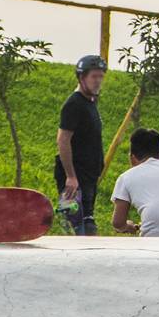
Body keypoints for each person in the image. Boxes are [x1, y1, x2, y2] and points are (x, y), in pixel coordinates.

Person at [53, 53, 106, 234]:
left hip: (88, 178)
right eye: (94, 76)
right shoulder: (74, 104)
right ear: (82, 77)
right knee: (80, 229)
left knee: (88, 225)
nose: (98, 81)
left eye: (101, 76)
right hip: (75, 180)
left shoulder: (90, 103)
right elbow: (63, 140)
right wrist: (71, 176)